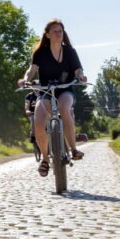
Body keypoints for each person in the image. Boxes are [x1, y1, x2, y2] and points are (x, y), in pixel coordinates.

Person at [19, 18, 88, 176]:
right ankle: (44, 159)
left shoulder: (70, 51)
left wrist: (81, 76)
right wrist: (26, 80)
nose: (59, 33)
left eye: (61, 31)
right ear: (48, 35)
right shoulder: (40, 53)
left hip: (65, 89)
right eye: (55, 31)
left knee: (65, 108)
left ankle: (73, 149)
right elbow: (32, 70)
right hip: (46, 90)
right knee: (38, 120)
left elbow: (78, 70)